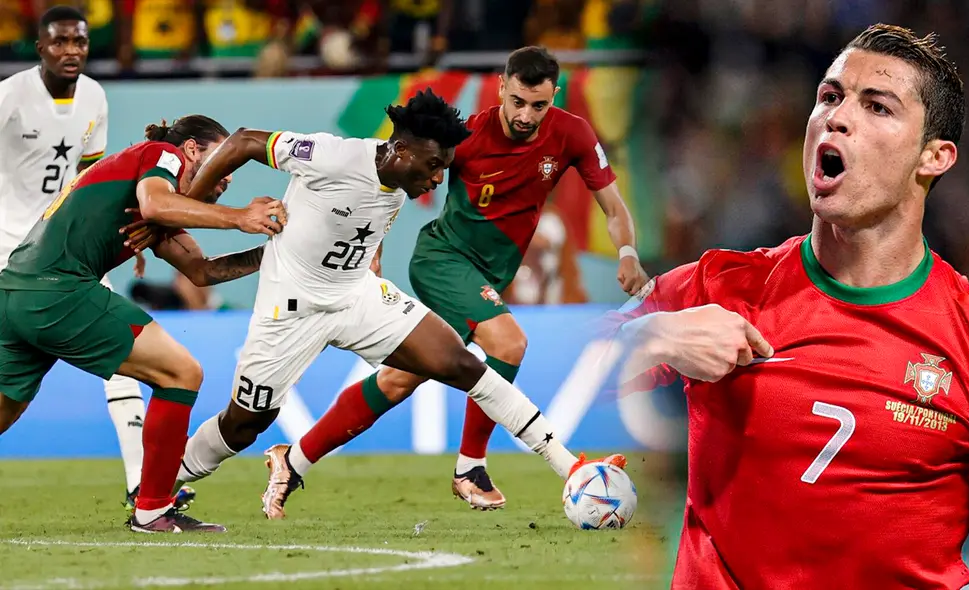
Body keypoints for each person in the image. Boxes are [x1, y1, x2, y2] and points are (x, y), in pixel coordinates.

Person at [607, 23, 969, 589]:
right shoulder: (721, 287)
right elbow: (548, 371)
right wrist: (651, 336)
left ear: (934, 157)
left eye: (877, 107)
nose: (836, 117)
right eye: (830, 97)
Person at [170, 89, 626, 520]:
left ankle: (571, 467)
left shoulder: (399, 181)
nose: (436, 179)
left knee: (461, 363)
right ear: (402, 151)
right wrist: (183, 205)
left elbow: (366, 225)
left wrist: (373, 271)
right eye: (433, 166)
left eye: (444, 168)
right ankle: (163, 482)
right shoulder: (335, 155)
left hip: (356, 296)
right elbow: (247, 140)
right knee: (245, 425)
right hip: (289, 309)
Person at [301, 46, 648, 510]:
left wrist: (627, 253)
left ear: (554, 97)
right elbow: (393, 181)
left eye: (539, 105)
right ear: (502, 88)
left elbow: (614, 205)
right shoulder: (465, 138)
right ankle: (470, 467)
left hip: (486, 274)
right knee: (508, 344)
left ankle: (294, 460)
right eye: (518, 101)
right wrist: (374, 247)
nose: (526, 115)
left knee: (397, 381)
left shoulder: (572, 134)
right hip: (442, 260)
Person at [0, 114, 286, 533]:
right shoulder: (161, 156)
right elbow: (156, 203)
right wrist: (240, 216)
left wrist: (275, 254)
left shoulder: (153, 199)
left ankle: (152, 506)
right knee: (181, 373)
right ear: (190, 150)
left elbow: (202, 272)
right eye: (221, 164)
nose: (225, 178)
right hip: (58, 290)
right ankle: (152, 508)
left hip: (15, 291)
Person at [0, 4, 160, 507]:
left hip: (63, 249)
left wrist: (119, 238)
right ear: (40, 46)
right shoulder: (10, 97)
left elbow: (92, 179)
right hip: (6, 248)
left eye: (80, 43)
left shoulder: (94, 96)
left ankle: (141, 483)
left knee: (125, 357)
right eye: (60, 42)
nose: (71, 51)